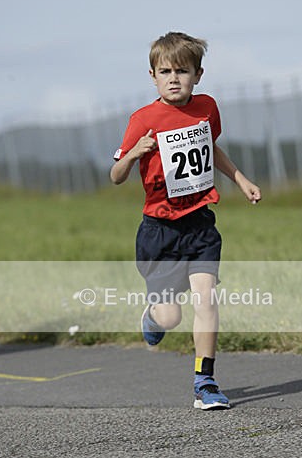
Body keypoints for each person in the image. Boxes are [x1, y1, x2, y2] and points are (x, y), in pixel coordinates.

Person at [110, 31, 261, 409]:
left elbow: (210, 145)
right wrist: (134, 153)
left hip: (199, 225)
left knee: (206, 300)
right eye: (165, 71)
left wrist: (240, 178)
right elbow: (115, 175)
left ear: (198, 74)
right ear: (152, 75)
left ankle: (205, 382)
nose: (174, 78)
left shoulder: (207, 108)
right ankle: (153, 317)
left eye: (182, 70)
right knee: (170, 316)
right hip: (159, 232)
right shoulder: (142, 119)